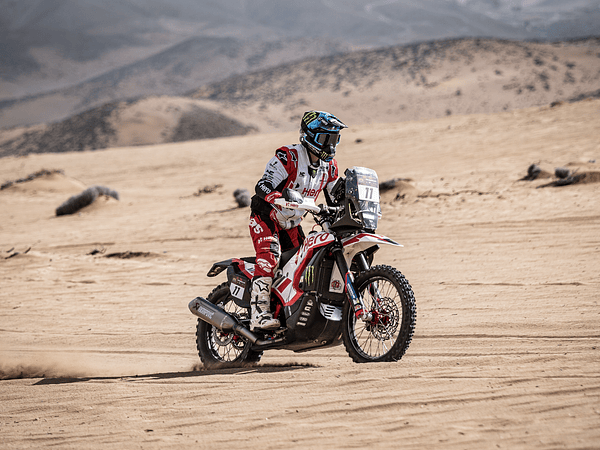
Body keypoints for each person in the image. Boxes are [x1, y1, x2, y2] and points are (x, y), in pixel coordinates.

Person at [248, 110, 347, 330]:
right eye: (325, 138)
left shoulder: (330, 167)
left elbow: (336, 197)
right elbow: (262, 185)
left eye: (334, 139)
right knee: (270, 258)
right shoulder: (289, 156)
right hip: (267, 216)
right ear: (309, 136)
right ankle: (258, 314)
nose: (330, 145)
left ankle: (291, 311)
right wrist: (275, 196)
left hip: (292, 223)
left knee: (304, 264)